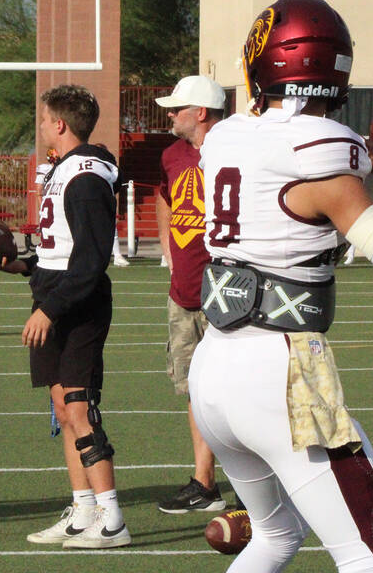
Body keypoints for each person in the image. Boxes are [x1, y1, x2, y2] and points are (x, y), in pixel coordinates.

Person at [190, 0, 373, 573]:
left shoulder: (225, 137)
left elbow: (296, 212)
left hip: (215, 366)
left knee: (276, 536)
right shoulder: (328, 151)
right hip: (283, 375)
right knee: (369, 558)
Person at [0, 84, 131, 549]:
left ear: (60, 124)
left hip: (76, 305)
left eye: (45, 119)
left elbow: (90, 260)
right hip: (54, 293)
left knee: (81, 410)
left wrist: (50, 308)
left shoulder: (85, 177)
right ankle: (83, 510)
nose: (41, 125)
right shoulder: (65, 170)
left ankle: (112, 520)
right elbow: (57, 251)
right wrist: (18, 265)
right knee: (64, 412)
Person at [152, 75, 228, 514]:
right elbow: (165, 195)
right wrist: (166, 239)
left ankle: (262, 482)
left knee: (240, 390)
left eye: (177, 108)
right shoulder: (173, 154)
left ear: (200, 112)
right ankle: (205, 482)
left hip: (227, 290)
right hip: (183, 290)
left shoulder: (235, 150)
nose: (170, 115)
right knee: (194, 391)